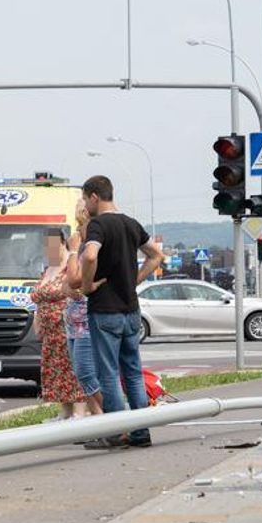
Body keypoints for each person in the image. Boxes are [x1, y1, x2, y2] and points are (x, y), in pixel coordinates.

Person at [74, 175, 165, 449]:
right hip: (131, 310)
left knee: (109, 373)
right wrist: (134, 280)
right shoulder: (131, 223)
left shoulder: (99, 224)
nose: (84, 205)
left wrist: (88, 285)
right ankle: (140, 433)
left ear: (94, 197)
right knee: (133, 372)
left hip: (105, 310)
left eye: (84, 199)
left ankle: (116, 432)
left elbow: (90, 256)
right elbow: (157, 255)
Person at [30, 229, 86, 419]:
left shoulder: (69, 266)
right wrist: (37, 322)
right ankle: (66, 410)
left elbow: (77, 291)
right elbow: (38, 300)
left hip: (66, 327)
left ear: (63, 244)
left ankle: (80, 411)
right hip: (49, 332)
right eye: (47, 245)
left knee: (72, 368)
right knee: (56, 370)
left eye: (54, 244)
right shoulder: (47, 270)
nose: (50, 249)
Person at [63, 199, 104, 416]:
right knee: (82, 377)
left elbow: (73, 281)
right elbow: (66, 286)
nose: (78, 230)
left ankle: (114, 418)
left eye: (81, 225)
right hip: (73, 323)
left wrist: (71, 252)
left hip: (87, 323)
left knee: (87, 374)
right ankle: (102, 424)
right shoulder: (81, 249)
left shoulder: (88, 249)